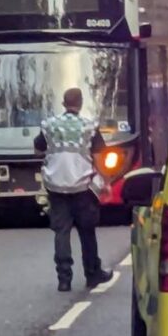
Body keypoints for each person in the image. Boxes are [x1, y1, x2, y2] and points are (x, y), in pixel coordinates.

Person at [34, 87, 113, 292]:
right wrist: (106, 182)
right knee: (87, 231)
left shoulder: (49, 125)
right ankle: (93, 274)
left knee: (61, 231)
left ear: (63, 103)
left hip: (56, 186)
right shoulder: (89, 126)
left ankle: (64, 279)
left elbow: (37, 149)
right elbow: (98, 158)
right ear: (80, 103)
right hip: (82, 186)